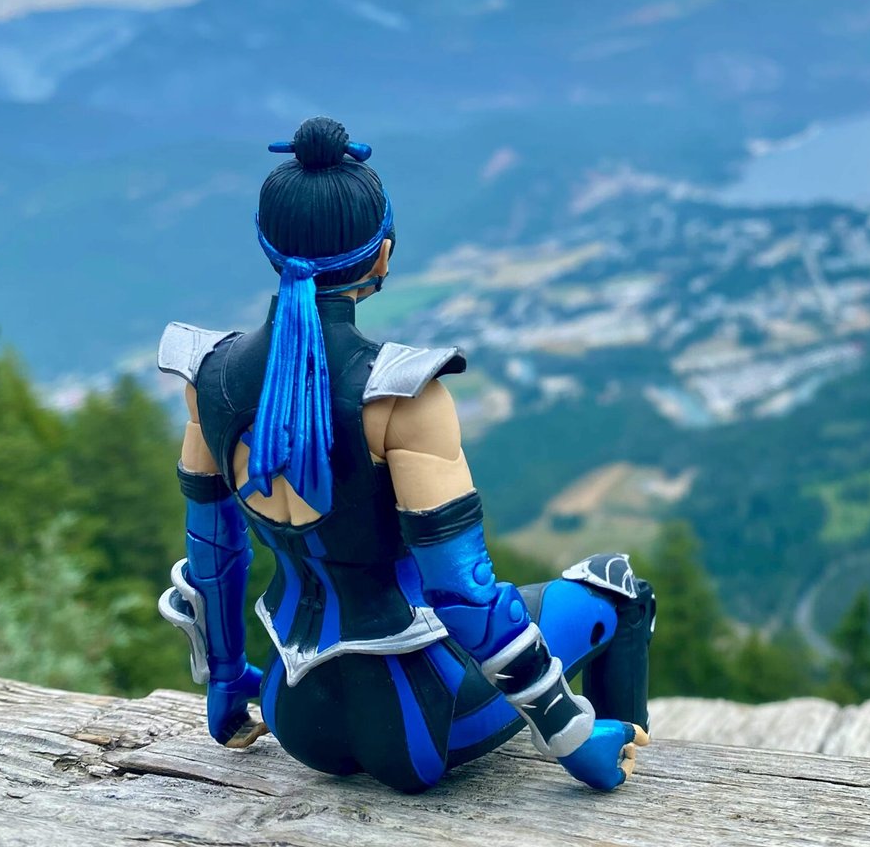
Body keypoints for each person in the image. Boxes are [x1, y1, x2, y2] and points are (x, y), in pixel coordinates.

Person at [156, 116, 654, 794]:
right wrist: (569, 737)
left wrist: (223, 682)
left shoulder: (204, 373)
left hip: (292, 712)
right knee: (618, 590)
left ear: (267, 245)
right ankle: (617, 747)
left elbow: (212, 558)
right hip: (420, 729)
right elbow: (463, 596)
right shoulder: (400, 396)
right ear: (382, 255)